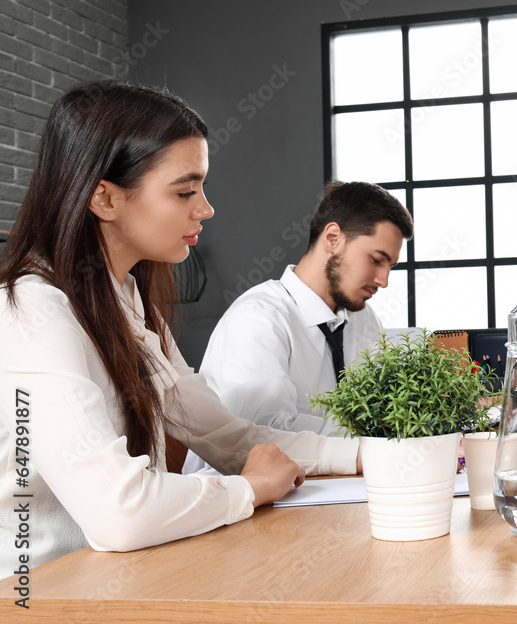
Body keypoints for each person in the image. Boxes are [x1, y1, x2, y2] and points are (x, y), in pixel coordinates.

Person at [0, 81, 359, 574]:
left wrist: (370, 455)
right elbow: (119, 513)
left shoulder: (128, 301)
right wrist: (249, 489)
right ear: (104, 198)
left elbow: (228, 437)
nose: (205, 208)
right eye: (185, 191)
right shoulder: (32, 312)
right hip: (38, 595)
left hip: (121, 579)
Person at [187, 181, 411, 453]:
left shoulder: (365, 322)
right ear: (332, 238)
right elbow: (260, 441)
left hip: (339, 488)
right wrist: (371, 446)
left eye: (391, 266)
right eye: (377, 259)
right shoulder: (258, 320)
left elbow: (382, 418)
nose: (384, 280)